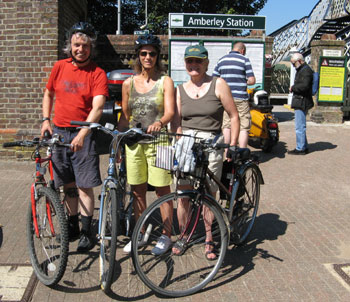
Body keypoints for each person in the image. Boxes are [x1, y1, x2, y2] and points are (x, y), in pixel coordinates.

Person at [40, 22, 109, 252]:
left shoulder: (97, 73)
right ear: (70, 45)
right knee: (67, 184)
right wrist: (45, 120)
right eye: (76, 45)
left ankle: (87, 231)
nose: (80, 49)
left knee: (84, 186)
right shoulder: (59, 67)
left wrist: (83, 132)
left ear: (91, 47)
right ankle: (72, 226)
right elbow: (49, 93)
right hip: (59, 132)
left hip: (83, 134)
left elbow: (97, 108)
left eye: (85, 45)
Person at [171, 44, 240, 260]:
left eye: (198, 61)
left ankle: (209, 237)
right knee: (183, 193)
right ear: (185, 64)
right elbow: (176, 121)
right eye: (190, 61)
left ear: (206, 63)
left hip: (211, 142)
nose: (194, 65)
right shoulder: (180, 89)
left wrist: (232, 144)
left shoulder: (218, 84)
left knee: (208, 193)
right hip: (188, 144)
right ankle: (183, 235)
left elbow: (234, 115)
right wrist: (180, 137)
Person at [118, 34, 175, 255]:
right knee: (138, 190)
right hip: (134, 143)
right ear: (138, 56)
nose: (148, 57)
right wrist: (119, 140)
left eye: (152, 53)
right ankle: (140, 233)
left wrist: (160, 123)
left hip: (160, 142)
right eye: (144, 53)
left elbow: (170, 111)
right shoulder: (128, 83)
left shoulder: (165, 81)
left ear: (157, 56)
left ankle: (166, 235)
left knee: (163, 190)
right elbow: (125, 116)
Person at [213, 41, 255, 148]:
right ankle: (242, 153)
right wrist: (243, 81)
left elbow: (214, 79)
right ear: (242, 51)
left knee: (227, 125)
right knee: (243, 127)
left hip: (225, 98)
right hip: (241, 98)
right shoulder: (244, 60)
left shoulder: (221, 60)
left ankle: (227, 152)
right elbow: (252, 80)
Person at [288, 52, 314, 155]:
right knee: (301, 125)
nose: (293, 66)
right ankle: (304, 146)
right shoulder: (303, 69)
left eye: (294, 63)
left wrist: (293, 88)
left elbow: (304, 86)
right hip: (301, 100)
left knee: (299, 126)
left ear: (299, 61)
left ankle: (300, 148)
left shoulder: (305, 71)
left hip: (301, 101)